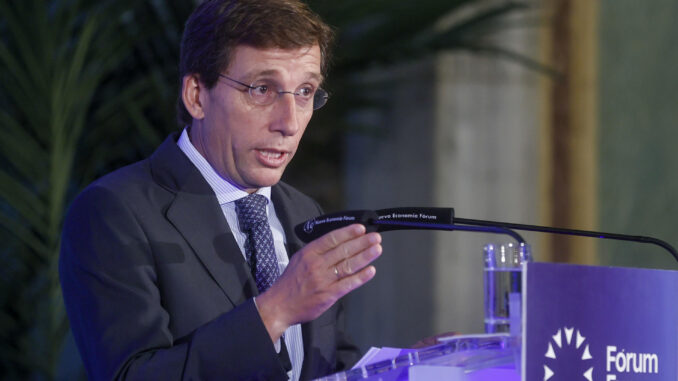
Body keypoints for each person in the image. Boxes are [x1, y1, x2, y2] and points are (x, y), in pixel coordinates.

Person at [58, 1, 383, 380]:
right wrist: (276, 310)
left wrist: (401, 368)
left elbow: (327, 366)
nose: (289, 123)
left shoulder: (304, 212)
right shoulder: (113, 212)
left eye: (306, 91)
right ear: (197, 95)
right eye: (263, 89)